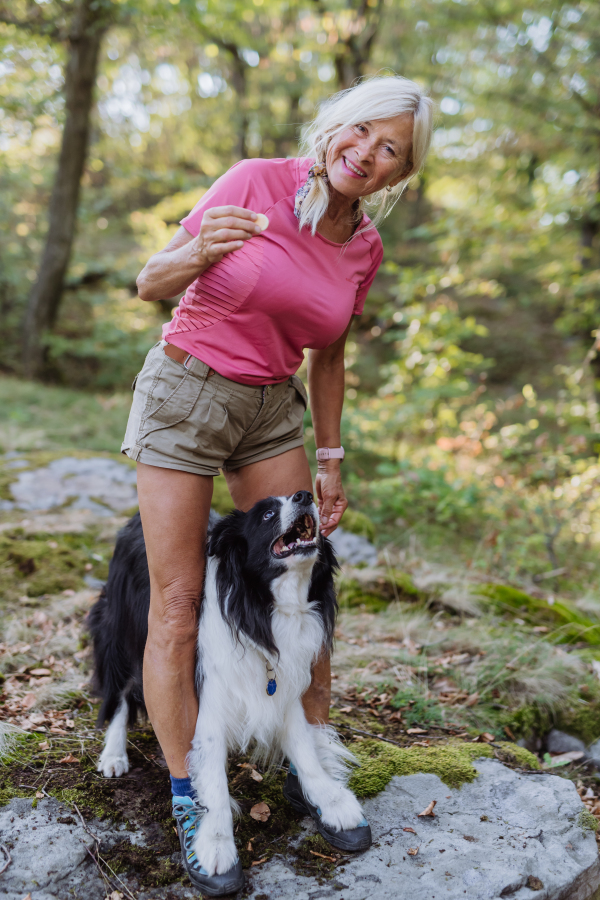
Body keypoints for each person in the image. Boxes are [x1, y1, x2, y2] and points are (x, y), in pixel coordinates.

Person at [126, 74, 433, 894]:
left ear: (400, 173)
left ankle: (313, 760)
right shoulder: (254, 180)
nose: (366, 153)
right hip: (187, 393)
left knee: (308, 581)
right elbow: (152, 282)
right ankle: (194, 794)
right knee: (179, 602)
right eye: (361, 132)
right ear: (336, 126)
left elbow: (329, 352)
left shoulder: (364, 245)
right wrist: (196, 252)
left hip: (271, 409)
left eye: (389, 149)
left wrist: (330, 457)